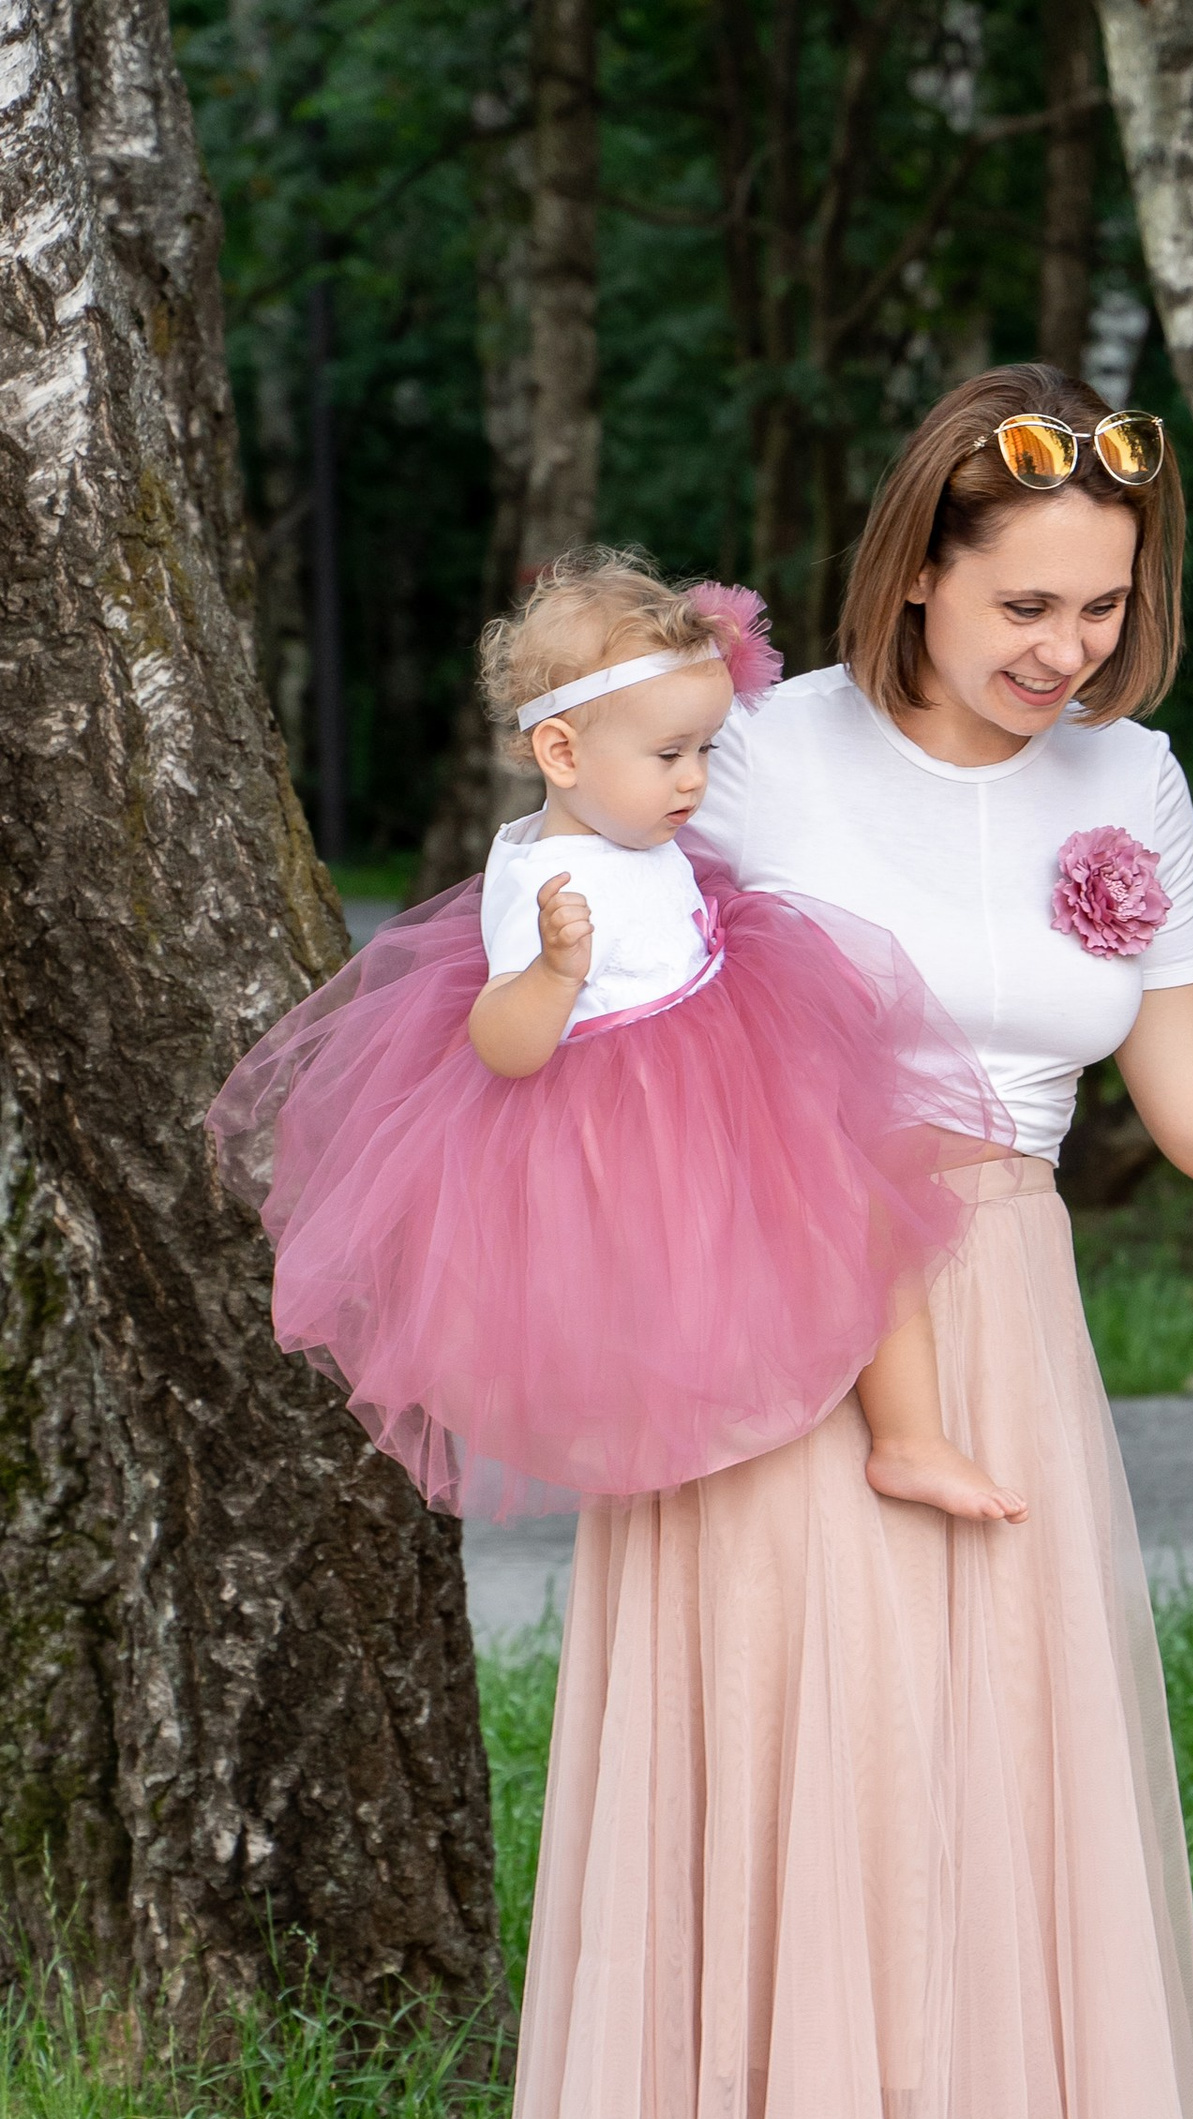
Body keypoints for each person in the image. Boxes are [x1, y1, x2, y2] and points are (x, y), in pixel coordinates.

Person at [502, 365, 1193, 2119]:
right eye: (1025, 601)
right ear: (916, 567)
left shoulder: (1139, 784)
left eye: (1101, 606)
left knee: (953, 1821)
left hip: (1011, 1294)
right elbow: (612, 1017)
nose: (1065, 646)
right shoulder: (765, 752)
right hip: (796, 1311)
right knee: (829, 1804)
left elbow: (1190, 1111)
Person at [210, 555, 1010, 1521]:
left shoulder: (640, 839)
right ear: (562, 754)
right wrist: (553, 972)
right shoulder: (550, 883)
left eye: (706, 750)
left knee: (868, 1216)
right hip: (636, 1131)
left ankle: (912, 1438)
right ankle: (777, 1431)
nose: (695, 781)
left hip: (729, 1075)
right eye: (670, 755)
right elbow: (504, 1044)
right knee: (725, 1273)